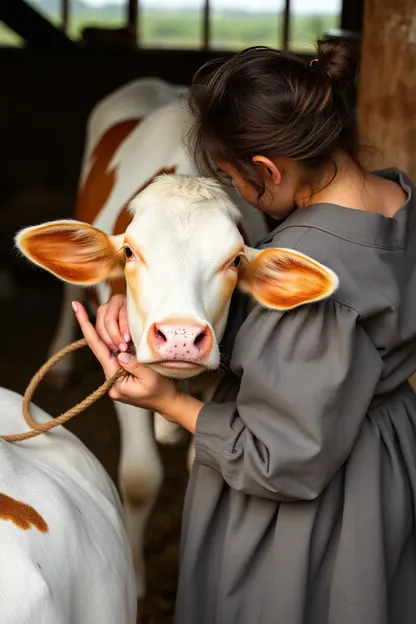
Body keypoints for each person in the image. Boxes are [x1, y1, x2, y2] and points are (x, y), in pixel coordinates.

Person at [72, 37, 416, 624]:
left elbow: (276, 458)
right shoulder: (399, 196)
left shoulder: (310, 271)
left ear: (265, 171)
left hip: (313, 512)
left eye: (233, 181)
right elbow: (329, 360)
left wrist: (170, 400)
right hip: (390, 463)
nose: (242, 194)